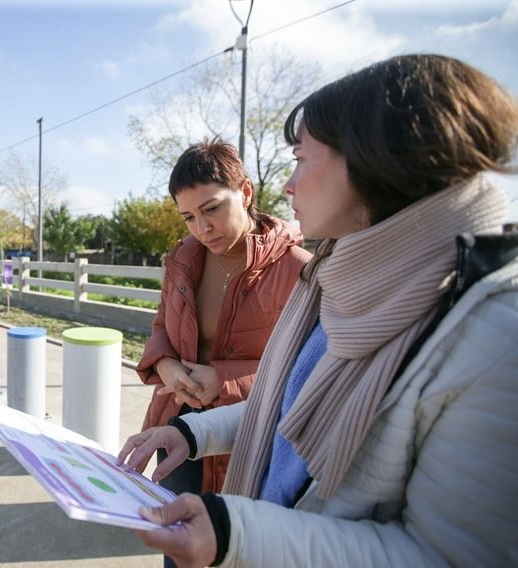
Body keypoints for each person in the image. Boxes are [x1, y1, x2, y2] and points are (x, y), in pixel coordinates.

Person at [117, 54, 518, 567]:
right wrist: (193, 432)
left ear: (375, 160)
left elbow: (450, 555)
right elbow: (288, 406)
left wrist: (236, 533)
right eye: (189, 217)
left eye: (302, 159)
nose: (288, 185)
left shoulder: (495, 335)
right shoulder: (341, 281)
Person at [135, 137, 311, 505]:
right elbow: (161, 328)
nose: (202, 228)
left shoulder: (299, 269)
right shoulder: (182, 260)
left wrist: (225, 380)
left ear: (245, 192)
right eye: (188, 218)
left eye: (211, 209)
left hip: (248, 433)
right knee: (175, 535)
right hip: (176, 421)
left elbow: (307, 369)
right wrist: (167, 367)